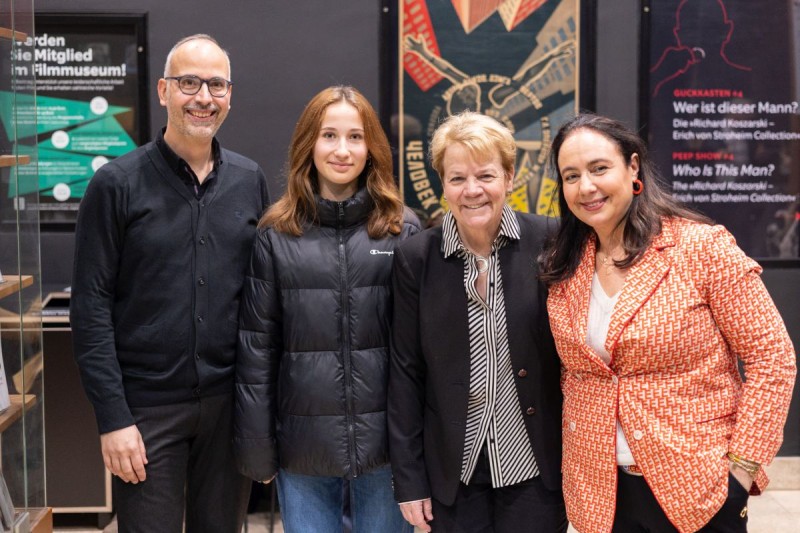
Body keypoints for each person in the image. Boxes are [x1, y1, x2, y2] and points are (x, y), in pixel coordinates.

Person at [540, 113, 796, 533]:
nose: (586, 186)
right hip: (600, 495)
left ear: (633, 167)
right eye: (571, 176)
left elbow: (772, 358)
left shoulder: (700, 248)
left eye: (599, 168)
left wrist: (743, 469)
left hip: (698, 490)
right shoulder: (565, 263)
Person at [70, 34, 270, 533]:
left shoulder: (250, 181)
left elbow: (262, 301)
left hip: (227, 411)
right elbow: (90, 308)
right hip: (145, 413)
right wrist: (113, 418)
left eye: (216, 85)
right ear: (163, 91)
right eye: (189, 83)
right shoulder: (116, 184)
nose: (204, 97)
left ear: (230, 95)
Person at [233, 85, 419, 533]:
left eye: (355, 137)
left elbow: (419, 351)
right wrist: (258, 446)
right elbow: (257, 350)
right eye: (329, 135)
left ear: (372, 148)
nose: (342, 150)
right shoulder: (276, 235)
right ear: (308, 144)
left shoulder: (401, 229)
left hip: (387, 448)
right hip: (303, 451)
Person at [388, 111, 567, 532]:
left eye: (486, 175)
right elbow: (405, 374)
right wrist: (409, 481)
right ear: (442, 184)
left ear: (509, 176)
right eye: (457, 178)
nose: (472, 191)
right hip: (454, 474)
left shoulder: (551, 241)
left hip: (535, 467)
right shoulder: (416, 258)